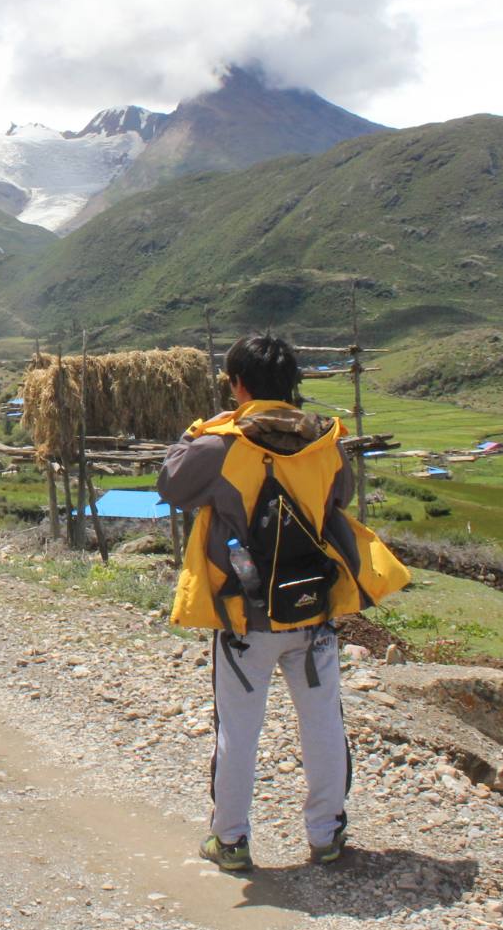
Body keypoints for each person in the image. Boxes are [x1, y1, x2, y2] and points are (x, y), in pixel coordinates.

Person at [157, 333, 409, 871]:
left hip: (245, 615)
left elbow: (172, 485)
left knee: (239, 730)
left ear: (238, 384)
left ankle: (230, 840)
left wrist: (195, 430)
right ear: (293, 385)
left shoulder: (219, 443)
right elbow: (338, 501)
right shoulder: (329, 442)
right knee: (321, 722)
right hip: (314, 609)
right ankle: (326, 835)